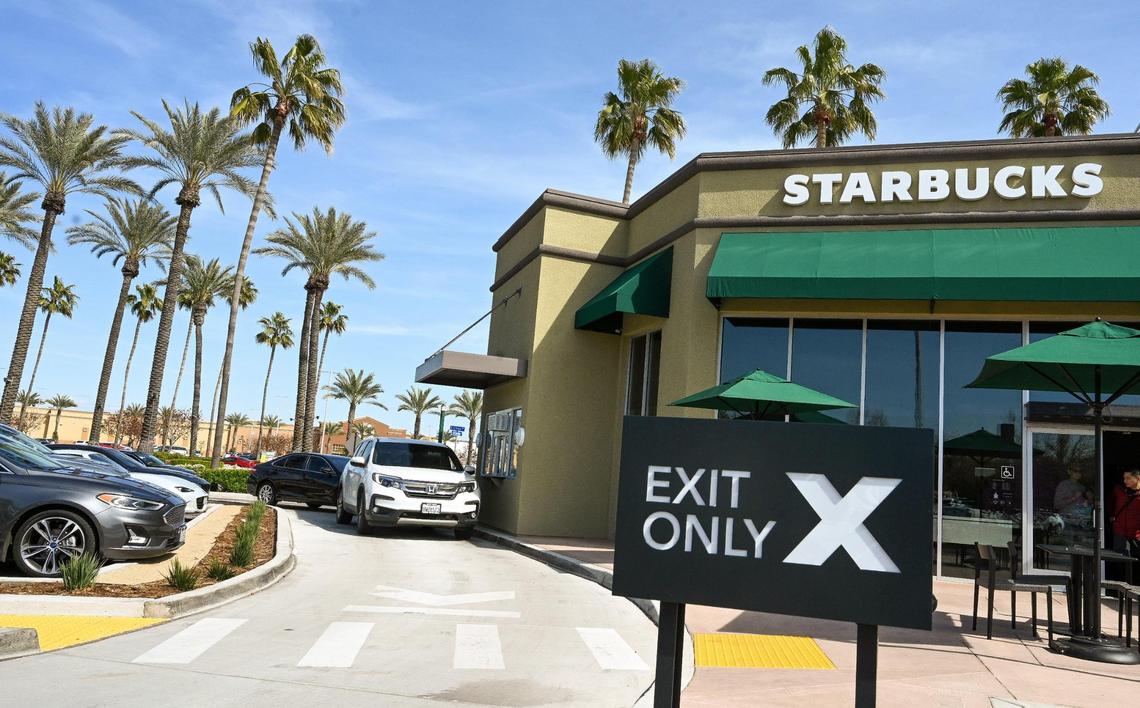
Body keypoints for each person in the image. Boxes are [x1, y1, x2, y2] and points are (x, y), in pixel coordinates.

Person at [1110, 469, 1140, 582]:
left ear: (1137, 478)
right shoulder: (1119, 491)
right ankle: (1120, 586)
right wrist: (1111, 516)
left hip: (1136, 534)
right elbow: (1109, 503)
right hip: (1120, 532)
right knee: (1119, 561)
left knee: (1135, 562)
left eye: (1128, 478)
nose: (1125, 481)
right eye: (1124, 478)